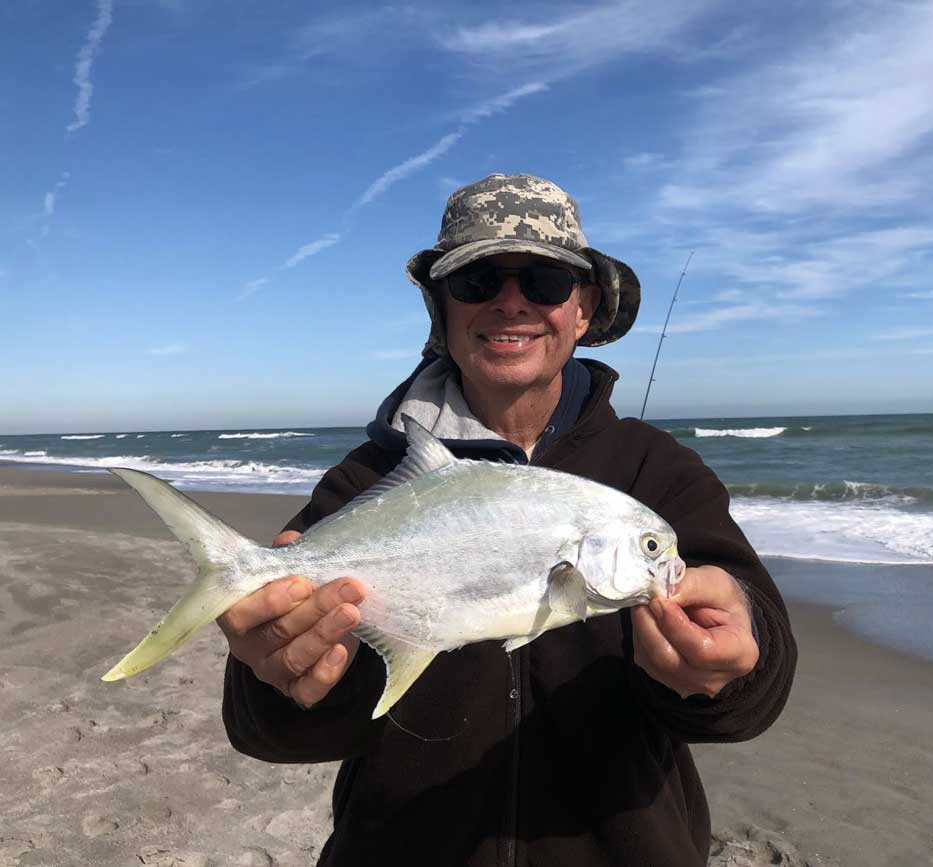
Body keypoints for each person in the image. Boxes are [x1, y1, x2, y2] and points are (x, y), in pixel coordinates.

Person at [218, 173, 797, 866]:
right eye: (478, 280)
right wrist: (277, 674)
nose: (512, 303)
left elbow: (759, 677)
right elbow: (268, 730)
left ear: (583, 310)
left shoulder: (656, 473)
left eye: (547, 281)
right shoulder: (364, 480)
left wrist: (731, 660)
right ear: (442, 310)